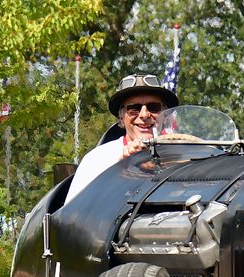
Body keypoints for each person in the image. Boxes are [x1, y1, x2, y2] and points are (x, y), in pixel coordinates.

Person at [64, 73, 179, 205]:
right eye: (133, 109)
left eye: (153, 107)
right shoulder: (97, 160)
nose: (144, 115)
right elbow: (73, 214)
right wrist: (121, 170)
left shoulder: (181, 156)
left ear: (164, 116)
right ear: (121, 119)